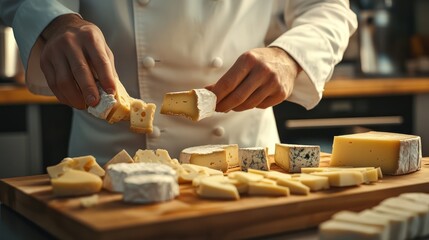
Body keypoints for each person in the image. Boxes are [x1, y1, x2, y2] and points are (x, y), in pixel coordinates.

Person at [0, 0, 357, 164]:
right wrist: (56, 21)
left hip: (242, 158)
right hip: (110, 162)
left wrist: (289, 56)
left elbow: (330, 8)